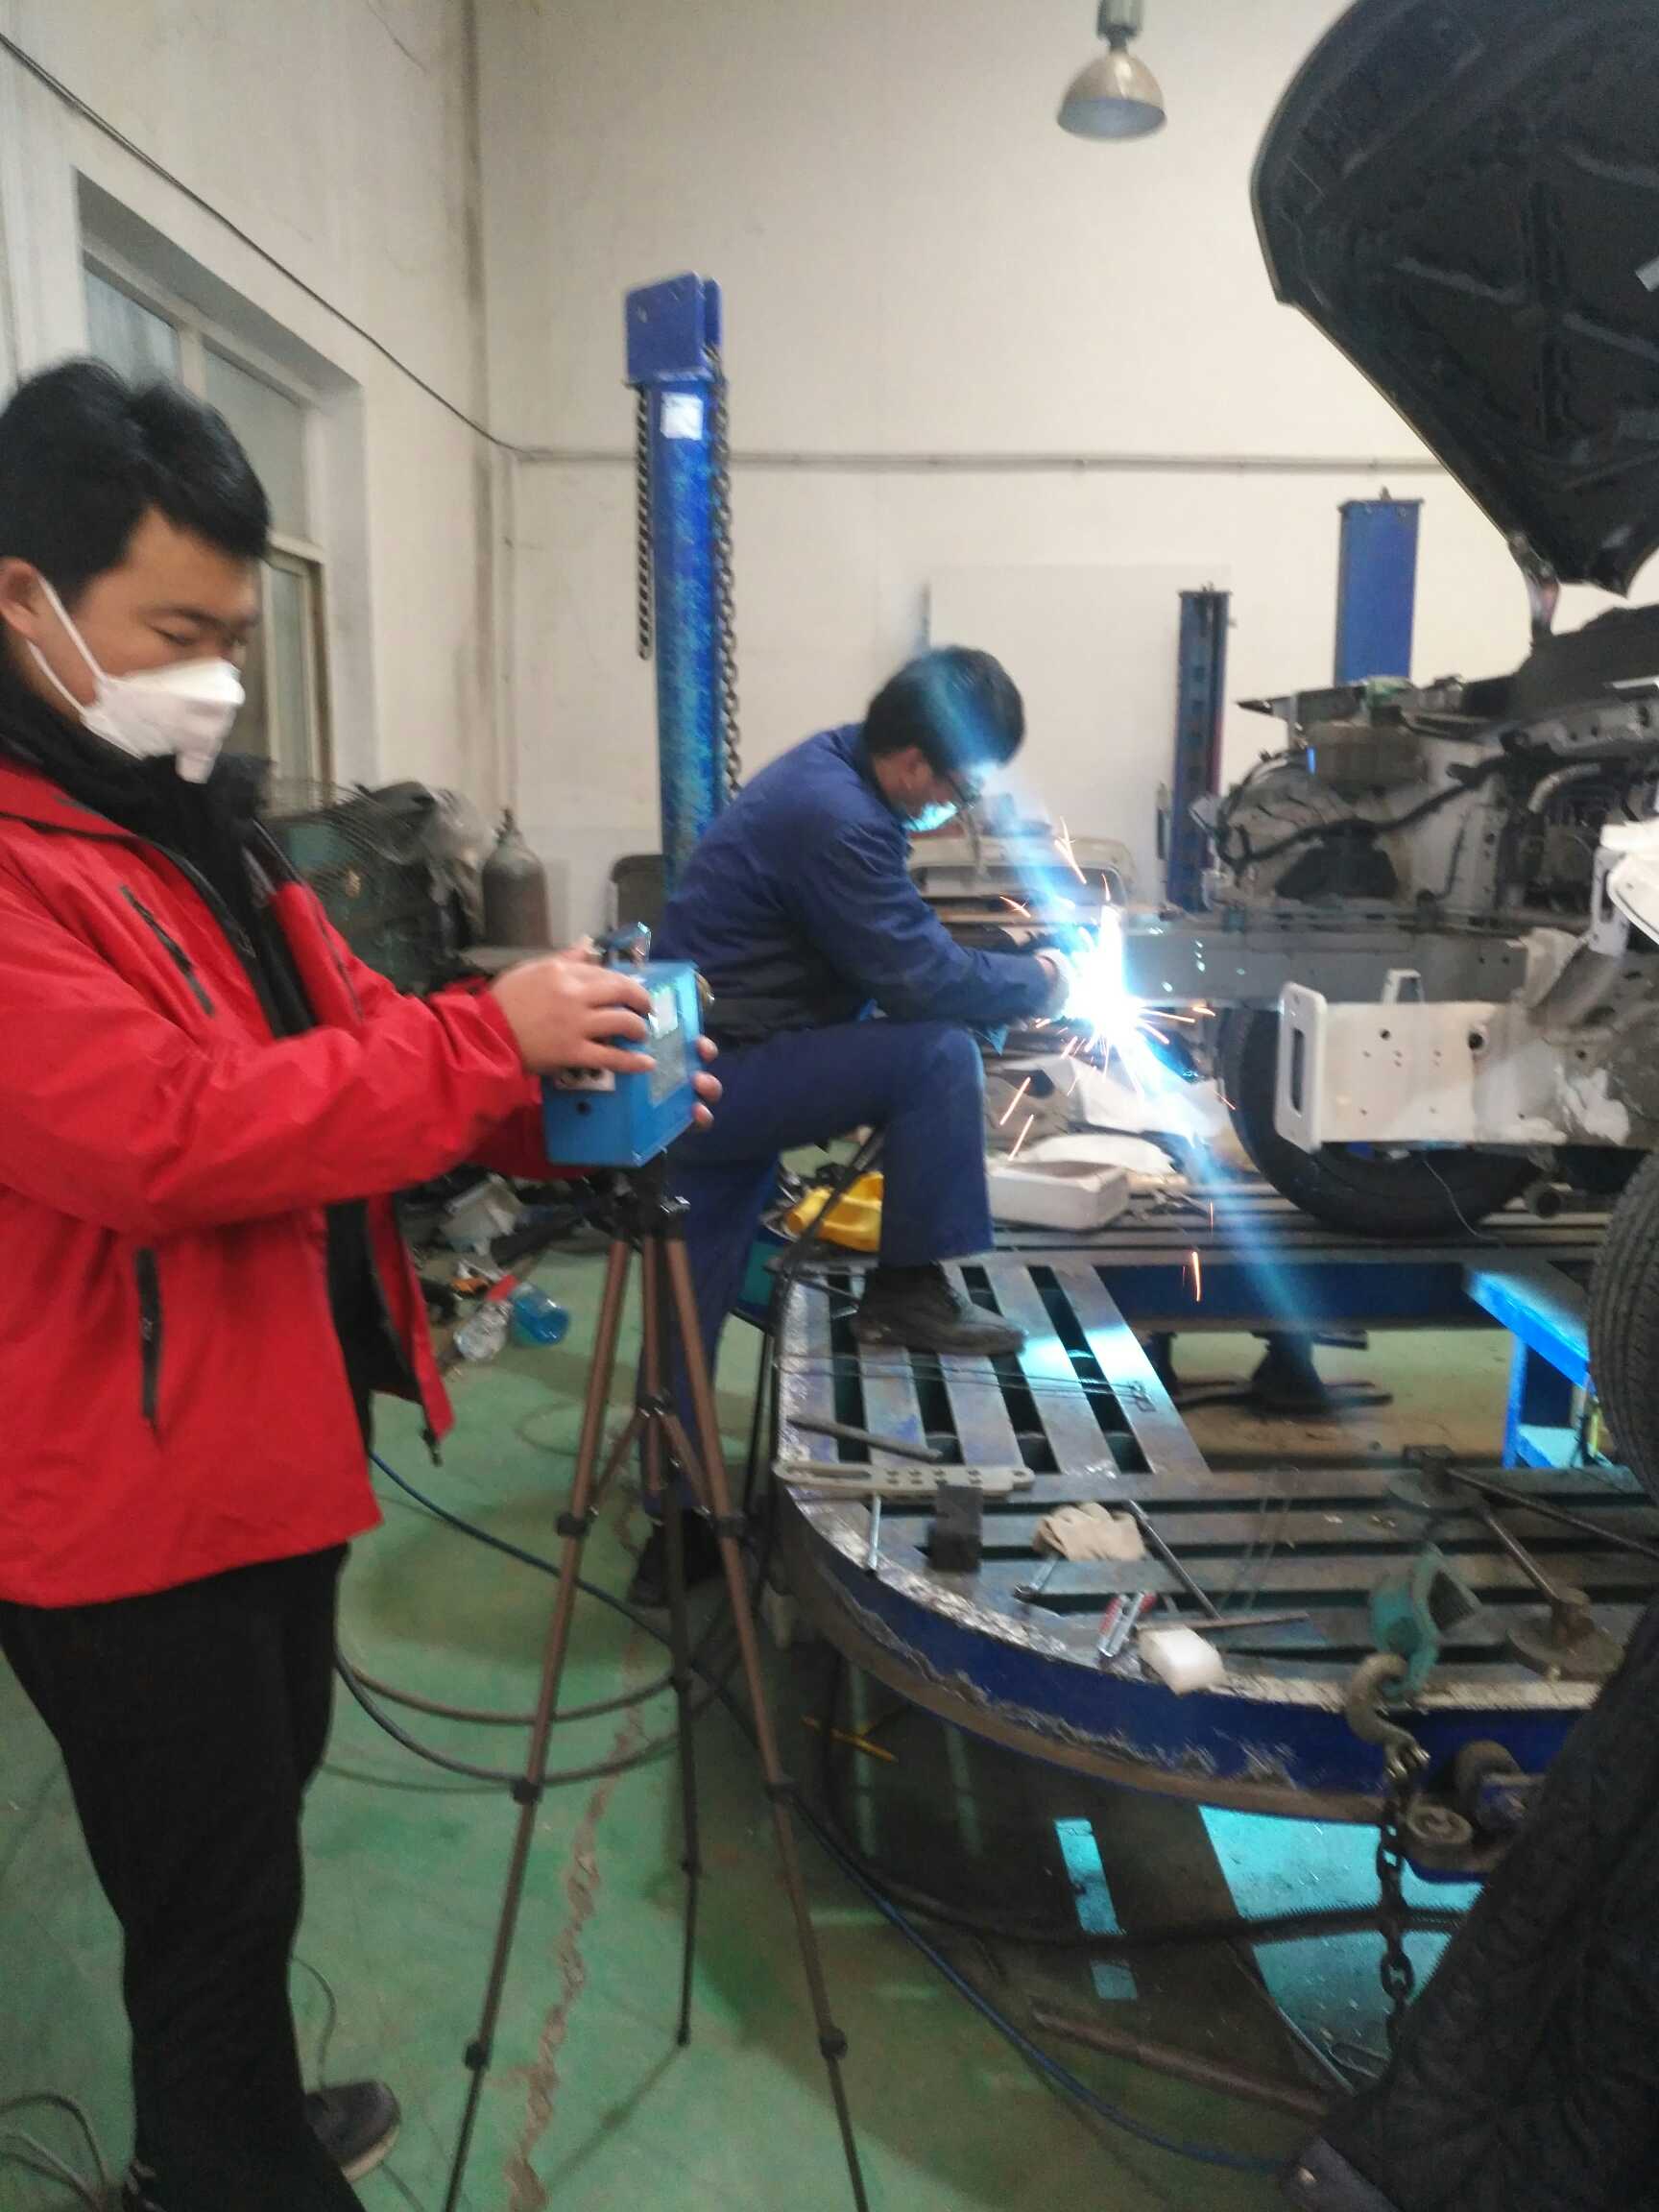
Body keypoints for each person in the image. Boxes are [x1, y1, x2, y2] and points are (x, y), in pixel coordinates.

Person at [0, 361, 717, 2212]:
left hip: (262, 1443)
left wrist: (567, 1088)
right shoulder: (16, 871)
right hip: (118, 1499)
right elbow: (165, 1135)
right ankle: (224, 2164)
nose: (214, 680)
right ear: (23, 600)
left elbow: (357, 1041)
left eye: (232, 639)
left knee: (246, 1853)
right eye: (174, 634)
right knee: (205, 1881)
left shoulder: (197, 830)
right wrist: (483, 1039)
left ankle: (226, 2110)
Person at [636, 646, 1068, 1603]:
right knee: (936, 1055)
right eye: (959, 788)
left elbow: (882, 945)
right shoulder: (835, 816)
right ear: (911, 761)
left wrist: (991, 969)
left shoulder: (836, 768)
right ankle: (907, 1289)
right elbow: (918, 979)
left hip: (699, 1073)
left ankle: (674, 1531)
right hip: (725, 1075)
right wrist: (1040, 980)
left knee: (687, 1295)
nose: (959, 807)